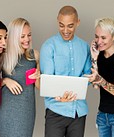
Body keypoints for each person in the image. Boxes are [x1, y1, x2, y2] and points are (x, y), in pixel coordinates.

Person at [40, 5, 91, 137]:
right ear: (58, 21)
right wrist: (59, 95)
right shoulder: (48, 46)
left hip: (78, 112)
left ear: (78, 23)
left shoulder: (84, 47)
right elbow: (47, 81)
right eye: (61, 25)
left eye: (70, 26)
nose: (65, 30)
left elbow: (87, 77)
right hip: (56, 110)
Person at [85, 18, 114, 137]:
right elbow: (96, 86)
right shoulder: (99, 55)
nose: (99, 41)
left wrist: (99, 79)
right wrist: (94, 57)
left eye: (103, 38)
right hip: (102, 114)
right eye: (96, 36)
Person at [0, 18, 40, 137]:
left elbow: (39, 87)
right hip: (6, 110)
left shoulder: (34, 55)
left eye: (29, 35)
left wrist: (39, 76)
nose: (27, 39)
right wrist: (5, 80)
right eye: (22, 36)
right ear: (14, 37)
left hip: (26, 111)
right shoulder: (2, 56)